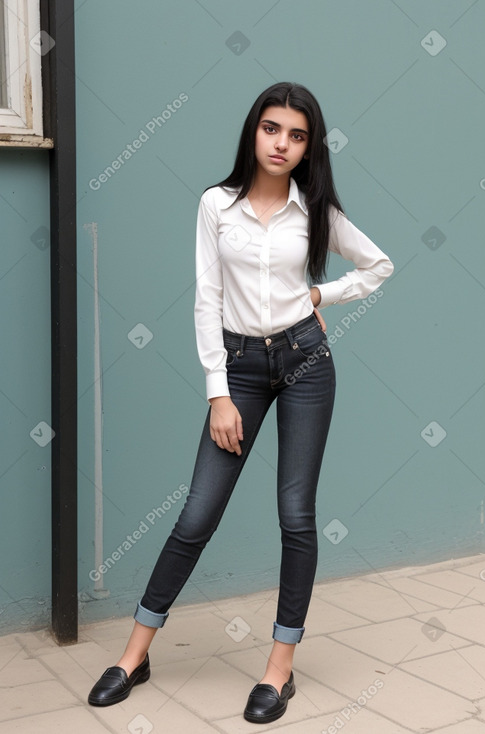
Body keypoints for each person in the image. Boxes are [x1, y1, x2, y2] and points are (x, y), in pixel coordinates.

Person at [88, 81, 394, 724]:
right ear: (254, 132)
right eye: (272, 129)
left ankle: (278, 669)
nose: (282, 143)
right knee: (197, 514)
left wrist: (321, 298)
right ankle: (134, 655)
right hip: (239, 369)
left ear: (309, 146)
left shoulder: (315, 211)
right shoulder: (216, 205)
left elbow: (378, 266)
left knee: (295, 514)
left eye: (297, 135)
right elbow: (206, 300)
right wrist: (218, 392)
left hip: (307, 362)